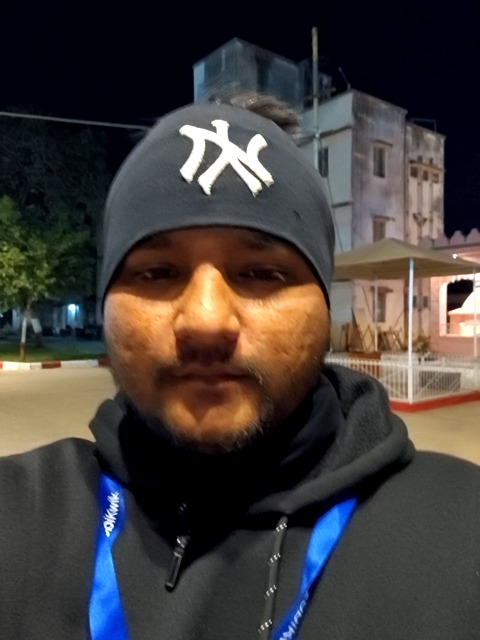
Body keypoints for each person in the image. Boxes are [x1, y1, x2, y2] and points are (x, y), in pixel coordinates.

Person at [1, 93, 479, 640]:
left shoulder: (461, 533)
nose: (206, 320)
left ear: (325, 304)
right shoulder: (23, 516)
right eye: (157, 273)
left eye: (260, 273)